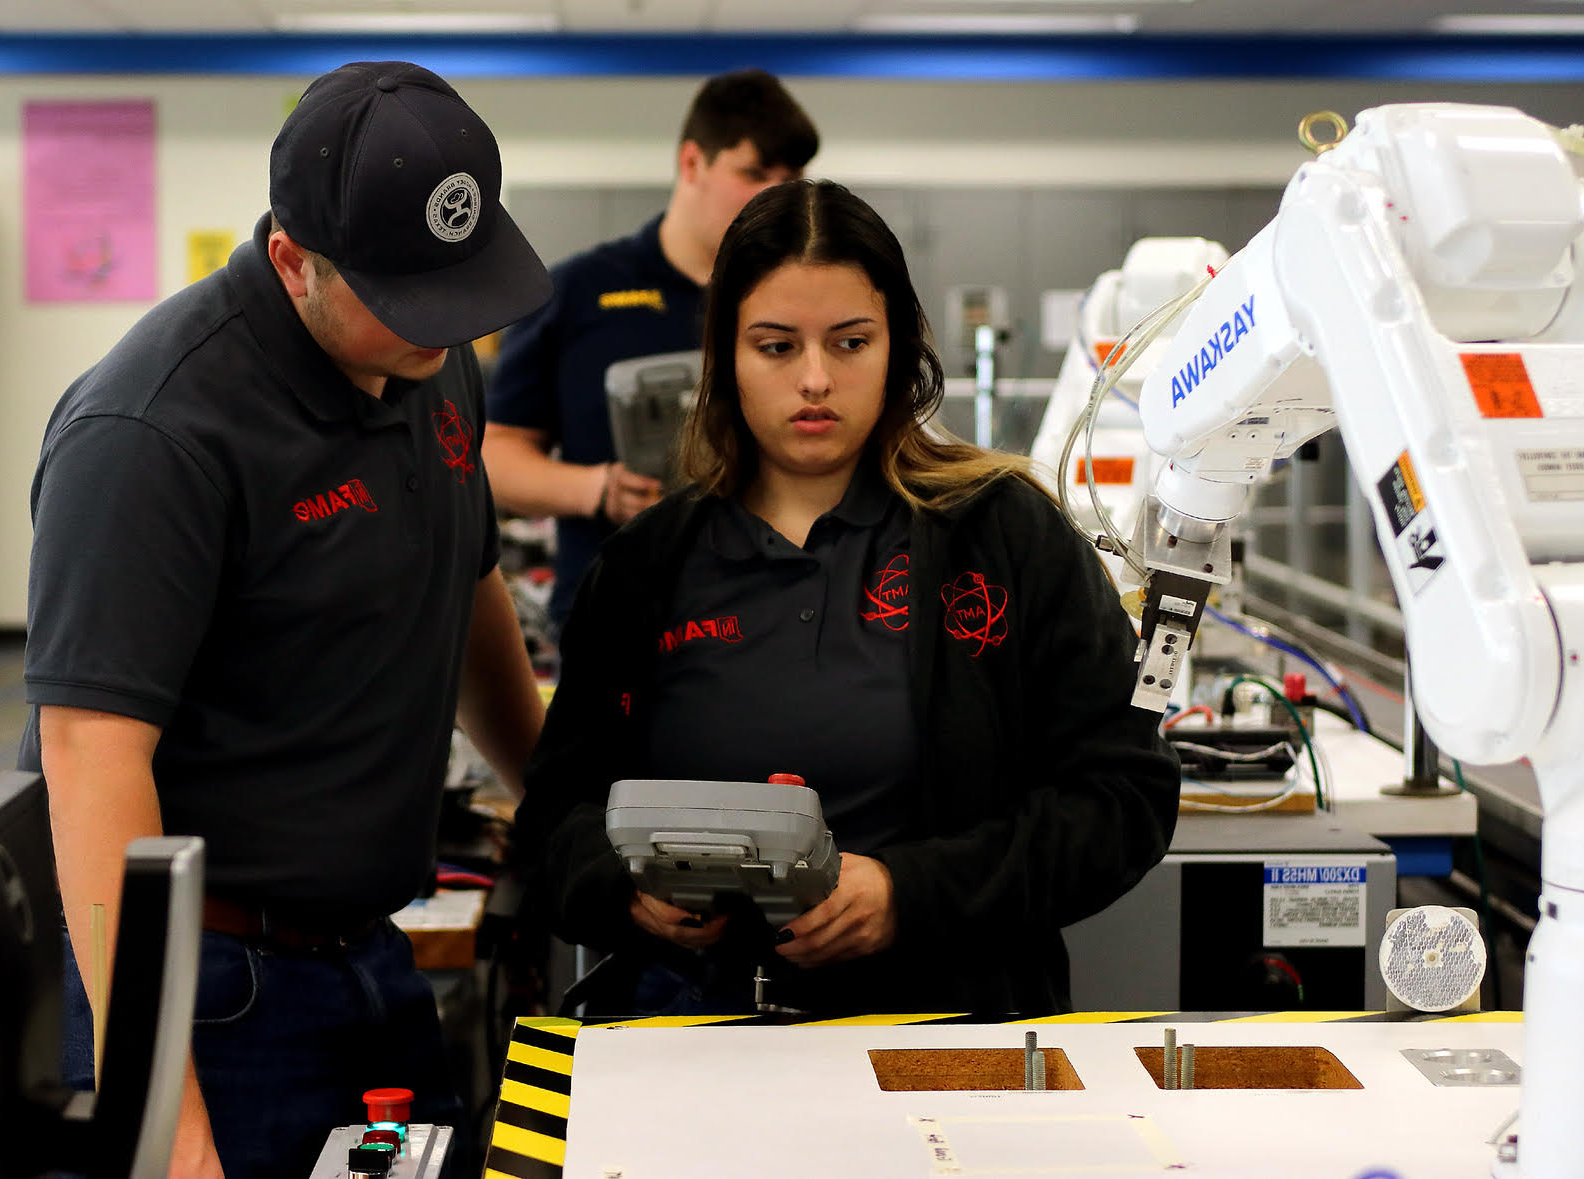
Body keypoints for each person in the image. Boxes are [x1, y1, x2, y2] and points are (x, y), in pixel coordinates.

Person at [21, 62, 551, 1179]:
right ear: (292, 262)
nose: (443, 334)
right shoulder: (153, 429)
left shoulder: (433, 365)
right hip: (212, 994)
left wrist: (560, 807)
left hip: (370, 952)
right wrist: (169, 1118)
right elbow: (88, 756)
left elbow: (468, 585)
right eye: (409, 301)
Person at [514, 179, 1181, 1018]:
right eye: (776, 346)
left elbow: (1122, 799)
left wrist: (911, 891)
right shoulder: (645, 568)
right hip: (695, 1036)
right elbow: (552, 820)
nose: (816, 379)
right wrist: (623, 890)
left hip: (947, 1037)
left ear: (899, 347)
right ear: (723, 357)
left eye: (850, 341)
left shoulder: (1005, 535)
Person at [481, 68, 819, 631]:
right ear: (693, 163)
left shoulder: (804, 301)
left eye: (792, 178)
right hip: (615, 619)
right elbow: (494, 455)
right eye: (754, 173)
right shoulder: (579, 292)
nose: (776, 197)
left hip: (772, 619)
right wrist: (596, 489)